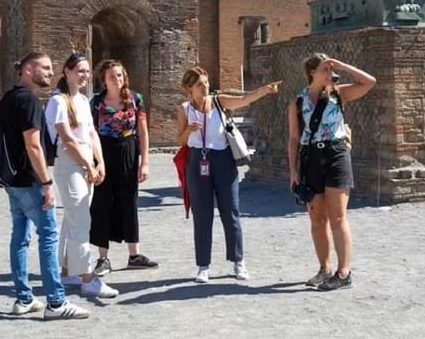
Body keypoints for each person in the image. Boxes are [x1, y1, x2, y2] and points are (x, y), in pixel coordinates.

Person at [0, 52, 89, 319]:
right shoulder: (28, 100)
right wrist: (47, 182)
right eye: (45, 68)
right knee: (48, 236)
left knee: (20, 237)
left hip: (12, 180)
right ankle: (56, 302)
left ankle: (24, 298)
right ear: (28, 69)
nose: (51, 73)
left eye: (51, 69)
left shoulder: (9, 97)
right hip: (30, 179)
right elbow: (33, 145)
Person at [175, 66, 280, 284]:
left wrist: (264, 90)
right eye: (199, 84)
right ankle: (203, 266)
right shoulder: (184, 109)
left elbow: (244, 99)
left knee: (230, 211)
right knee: (202, 214)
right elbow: (181, 140)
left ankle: (238, 261)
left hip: (223, 160)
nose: (205, 87)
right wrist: (189, 130)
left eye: (206, 82)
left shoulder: (218, 101)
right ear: (189, 88)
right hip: (198, 161)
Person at [287, 53, 376, 291]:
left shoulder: (338, 93)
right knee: (317, 219)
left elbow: (369, 82)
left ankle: (343, 272)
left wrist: (342, 65)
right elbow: (294, 138)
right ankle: (324, 269)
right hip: (310, 158)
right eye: (325, 70)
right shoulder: (297, 102)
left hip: (336, 154)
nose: (330, 74)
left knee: (337, 215)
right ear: (312, 73)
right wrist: (293, 170)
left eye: (330, 70)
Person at [45, 52, 117, 299]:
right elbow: (66, 139)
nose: (84, 75)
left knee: (73, 219)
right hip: (70, 162)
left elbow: (92, 134)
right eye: (80, 71)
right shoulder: (58, 101)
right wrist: (88, 164)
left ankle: (66, 271)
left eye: (87, 71)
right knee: (81, 220)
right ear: (67, 71)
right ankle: (88, 278)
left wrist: (100, 161)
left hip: (86, 161)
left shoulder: (84, 101)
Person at [89, 59, 157, 275]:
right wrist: (93, 162)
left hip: (128, 150)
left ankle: (134, 254)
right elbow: (90, 133)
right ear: (104, 79)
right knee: (102, 203)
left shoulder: (135, 100)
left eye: (119, 75)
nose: (116, 79)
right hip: (104, 152)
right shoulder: (97, 103)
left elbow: (143, 131)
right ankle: (103, 258)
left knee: (129, 201)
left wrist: (144, 162)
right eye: (111, 76)